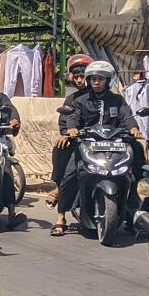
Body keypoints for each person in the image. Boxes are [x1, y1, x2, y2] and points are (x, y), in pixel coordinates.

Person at [49, 61, 144, 236]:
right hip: (86, 145)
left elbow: (127, 116)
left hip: (114, 145)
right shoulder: (80, 101)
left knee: (134, 158)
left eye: (100, 79)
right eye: (93, 79)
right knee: (70, 174)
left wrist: (133, 128)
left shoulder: (117, 100)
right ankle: (61, 216)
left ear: (108, 80)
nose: (96, 82)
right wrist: (72, 129)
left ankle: (132, 206)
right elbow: (72, 117)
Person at [46, 54, 96, 214]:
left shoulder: (103, 97)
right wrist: (66, 134)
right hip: (78, 141)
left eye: (83, 76)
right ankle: (60, 187)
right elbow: (64, 121)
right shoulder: (71, 99)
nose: (80, 80)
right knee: (60, 149)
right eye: (77, 76)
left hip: (102, 140)